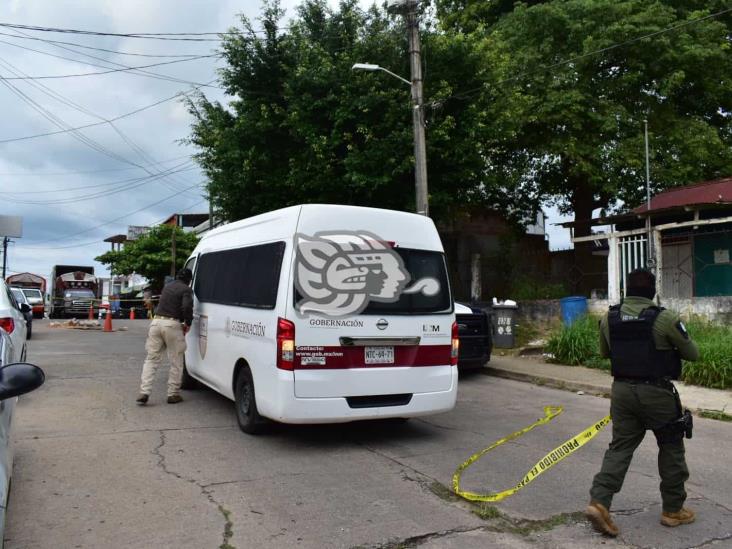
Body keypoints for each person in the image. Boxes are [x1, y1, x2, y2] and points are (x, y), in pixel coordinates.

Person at [586, 269, 699, 536]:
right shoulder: (665, 318)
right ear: (653, 291)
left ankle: (600, 501)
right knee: (671, 447)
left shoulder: (609, 318)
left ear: (626, 290)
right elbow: (692, 353)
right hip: (657, 393)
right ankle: (673, 510)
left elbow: (604, 353)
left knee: (620, 448)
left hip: (622, 392)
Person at [136, 268, 193, 405]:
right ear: (189, 280)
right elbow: (186, 307)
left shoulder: (167, 287)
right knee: (176, 361)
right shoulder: (186, 290)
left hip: (156, 323)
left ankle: (144, 392)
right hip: (172, 325)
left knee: (151, 359)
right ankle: (173, 394)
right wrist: (188, 323)